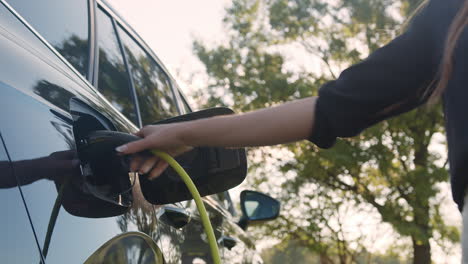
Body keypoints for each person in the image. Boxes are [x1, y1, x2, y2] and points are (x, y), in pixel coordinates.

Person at [116, 0, 468, 261]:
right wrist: (183, 135)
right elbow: (336, 107)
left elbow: (332, 108)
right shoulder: (453, 14)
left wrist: (185, 135)